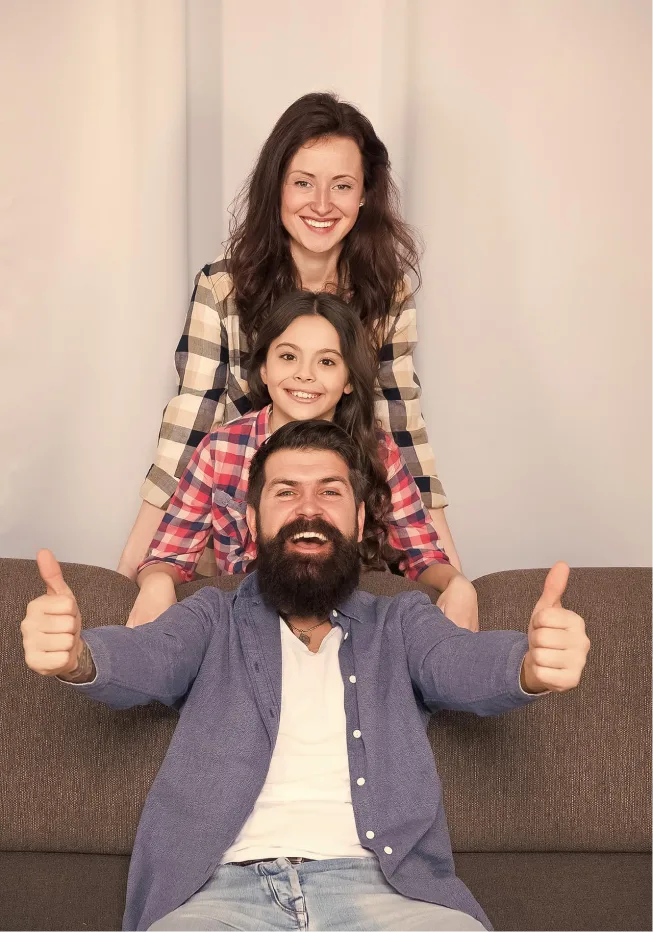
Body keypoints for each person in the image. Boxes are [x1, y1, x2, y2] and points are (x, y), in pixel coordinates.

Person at [22, 420, 590, 932]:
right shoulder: (211, 617)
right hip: (218, 898)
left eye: (330, 492)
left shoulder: (402, 620)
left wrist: (529, 665)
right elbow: (150, 656)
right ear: (253, 520)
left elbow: (460, 663)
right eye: (286, 492)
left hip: (385, 894)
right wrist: (78, 655)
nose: (308, 508)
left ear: (360, 518)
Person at [117, 91, 462, 580]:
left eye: (342, 186)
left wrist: (450, 567)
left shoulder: (387, 292)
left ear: (364, 194)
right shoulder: (222, 289)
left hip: (347, 536)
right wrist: (134, 564)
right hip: (247, 528)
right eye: (303, 182)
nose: (321, 204)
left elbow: (402, 422)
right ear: (276, 187)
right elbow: (189, 423)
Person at [129, 291, 478, 630]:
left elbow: (424, 556)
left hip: (350, 630)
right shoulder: (219, 450)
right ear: (264, 369)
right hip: (248, 630)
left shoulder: (380, 452)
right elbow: (168, 556)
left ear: (348, 381)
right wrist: (158, 581)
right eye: (288, 357)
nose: (304, 375)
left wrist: (457, 583)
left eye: (326, 361)